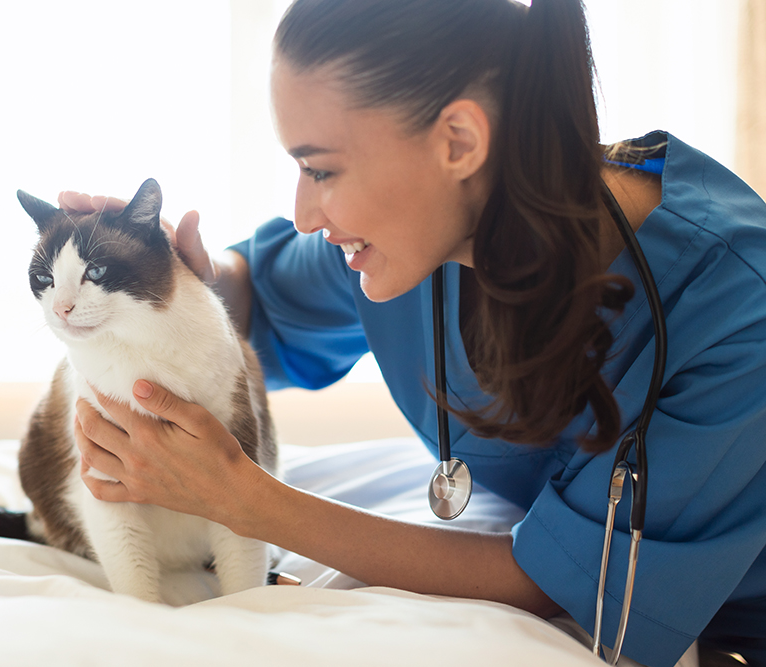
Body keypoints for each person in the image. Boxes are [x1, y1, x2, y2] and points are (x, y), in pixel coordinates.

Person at [59, 1, 766, 665]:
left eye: (321, 169)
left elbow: (565, 580)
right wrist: (173, 275)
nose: (304, 213)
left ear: (458, 141)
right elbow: (258, 296)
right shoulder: (425, 229)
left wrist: (245, 500)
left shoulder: (732, 308)